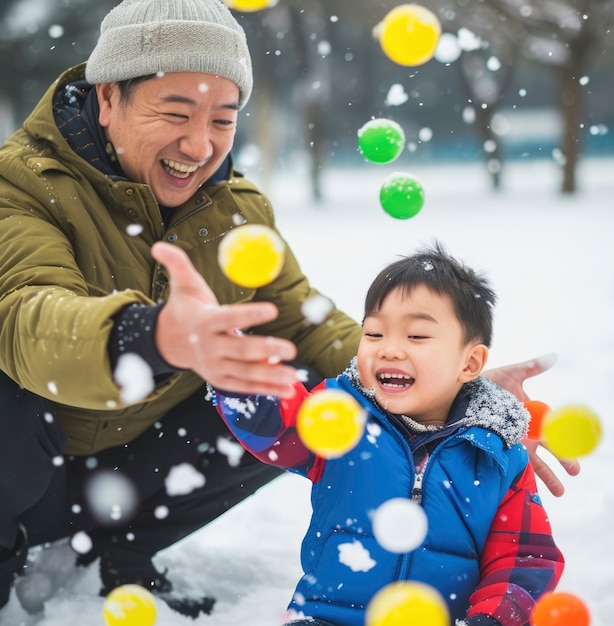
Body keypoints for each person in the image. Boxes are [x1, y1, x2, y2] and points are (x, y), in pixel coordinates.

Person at [0, 0, 576, 617]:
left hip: (125, 475)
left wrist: (438, 390)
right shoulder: (22, 185)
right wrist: (152, 335)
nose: (200, 146)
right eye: (176, 113)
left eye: (223, 119)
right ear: (107, 98)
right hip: (24, 473)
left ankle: (124, 552)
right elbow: (28, 316)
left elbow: (306, 325)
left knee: (298, 394)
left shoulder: (236, 212)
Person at [211, 243, 565, 626]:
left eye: (416, 337)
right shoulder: (339, 417)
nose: (389, 350)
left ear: (470, 363)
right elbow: (275, 425)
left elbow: (525, 560)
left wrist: (492, 620)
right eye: (374, 333)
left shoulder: (499, 457)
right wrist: (232, 362)